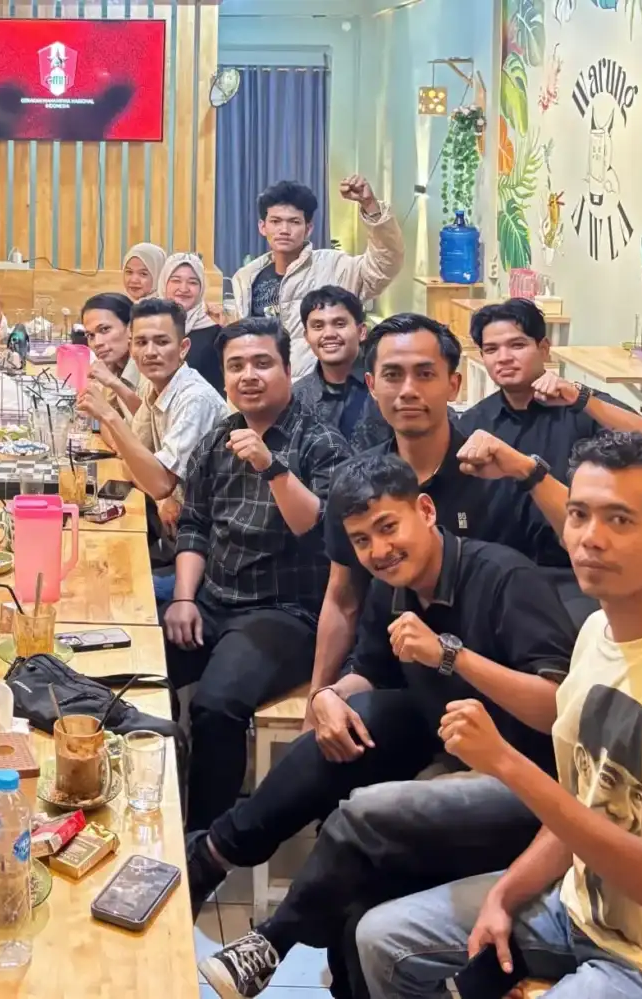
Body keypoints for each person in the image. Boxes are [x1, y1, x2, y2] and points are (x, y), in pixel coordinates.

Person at [194, 451, 578, 998]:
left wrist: (451, 656)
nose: (378, 550)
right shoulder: (391, 587)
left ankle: (271, 937)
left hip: (529, 783)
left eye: (387, 527)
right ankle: (215, 856)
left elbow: (560, 707)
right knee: (346, 740)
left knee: (360, 816)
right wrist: (329, 696)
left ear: (426, 511)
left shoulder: (504, 577)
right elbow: (372, 671)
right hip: (450, 753)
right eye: (361, 540)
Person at [356, 432, 642, 999]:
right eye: (578, 514)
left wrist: (504, 761)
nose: (590, 538)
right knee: (383, 938)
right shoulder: (596, 633)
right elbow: (584, 805)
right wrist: (505, 895)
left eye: (620, 520)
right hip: (576, 908)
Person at [305, 314, 572, 733]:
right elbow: (342, 598)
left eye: (425, 374)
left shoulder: (496, 469)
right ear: (372, 385)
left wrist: (527, 471)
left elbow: (581, 543)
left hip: (505, 696)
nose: (408, 390)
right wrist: (318, 699)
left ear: (454, 384)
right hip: (400, 681)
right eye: (393, 375)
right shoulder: (358, 482)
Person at [165, 318, 352, 831]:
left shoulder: (321, 442)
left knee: (216, 707)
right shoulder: (219, 437)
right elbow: (195, 523)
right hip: (213, 600)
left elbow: (320, 530)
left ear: (288, 370)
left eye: (262, 363)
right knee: (137, 670)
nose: (248, 375)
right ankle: (154, 796)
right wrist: (184, 598)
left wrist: (272, 467)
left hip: (285, 612)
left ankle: (205, 842)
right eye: (236, 366)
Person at [462, 298, 642, 471]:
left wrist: (582, 400)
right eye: (491, 350)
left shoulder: (583, 408)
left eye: (517, 345)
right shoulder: (474, 422)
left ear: (544, 349)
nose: (503, 358)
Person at [75, 298, 227, 542]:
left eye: (162, 342)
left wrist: (108, 415)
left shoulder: (194, 399)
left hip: (208, 537)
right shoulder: (155, 387)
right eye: (141, 342)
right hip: (179, 526)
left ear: (183, 348)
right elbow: (131, 456)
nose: (150, 352)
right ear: (131, 346)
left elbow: (159, 484)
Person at [231, 177, 405, 379]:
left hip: (322, 388)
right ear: (263, 227)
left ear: (308, 228)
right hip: (265, 386)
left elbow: (385, 263)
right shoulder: (246, 278)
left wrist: (371, 207)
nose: (284, 230)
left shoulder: (335, 266)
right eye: (275, 221)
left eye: (294, 222)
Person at [292, 285, 390, 449]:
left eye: (339, 324)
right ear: (307, 337)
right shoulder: (297, 398)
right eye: (318, 326)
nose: (329, 334)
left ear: (361, 332)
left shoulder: (387, 386)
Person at [160, 252, 224, 395]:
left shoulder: (215, 329)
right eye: (176, 280)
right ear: (164, 283)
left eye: (193, 282)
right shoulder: (151, 323)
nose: (184, 288)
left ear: (201, 288)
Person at [82, 292, 142, 419]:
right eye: (90, 335)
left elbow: (150, 424)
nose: (97, 343)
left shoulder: (147, 366)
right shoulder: (114, 367)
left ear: (131, 328)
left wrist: (113, 382)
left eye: (105, 329)